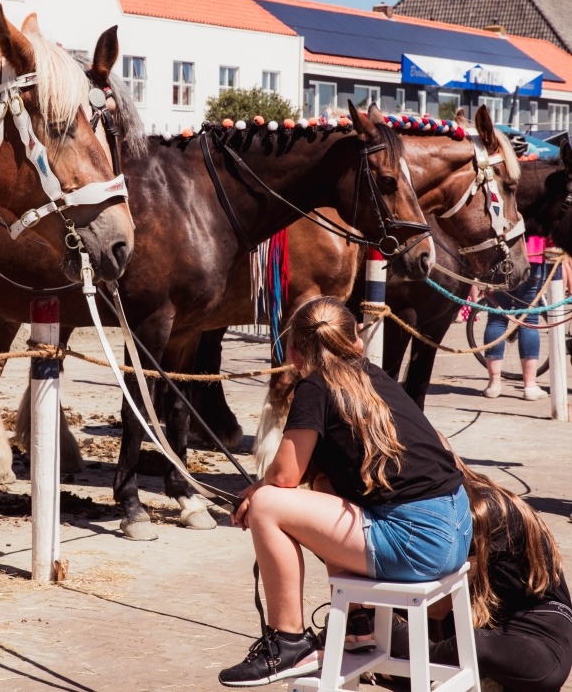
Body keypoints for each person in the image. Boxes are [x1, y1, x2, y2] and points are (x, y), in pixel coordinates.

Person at [217, 296, 471, 688]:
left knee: (268, 505)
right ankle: (358, 623)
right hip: (455, 528)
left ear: (295, 353)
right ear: (356, 338)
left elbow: (284, 476)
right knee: (323, 483)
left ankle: (288, 643)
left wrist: (256, 490)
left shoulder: (314, 387)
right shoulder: (372, 375)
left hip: (417, 543)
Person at [390, 456, 572, 692]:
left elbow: (438, 606)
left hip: (540, 633)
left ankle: (391, 653)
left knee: (471, 647)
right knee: (455, 647)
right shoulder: (458, 503)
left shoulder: (484, 510)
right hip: (484, 623)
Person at [480, 235, 550, 401]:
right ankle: (530, 385)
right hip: (531, 255)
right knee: (529, 320)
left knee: (496, 319)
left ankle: (494, 384)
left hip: (498, 256)